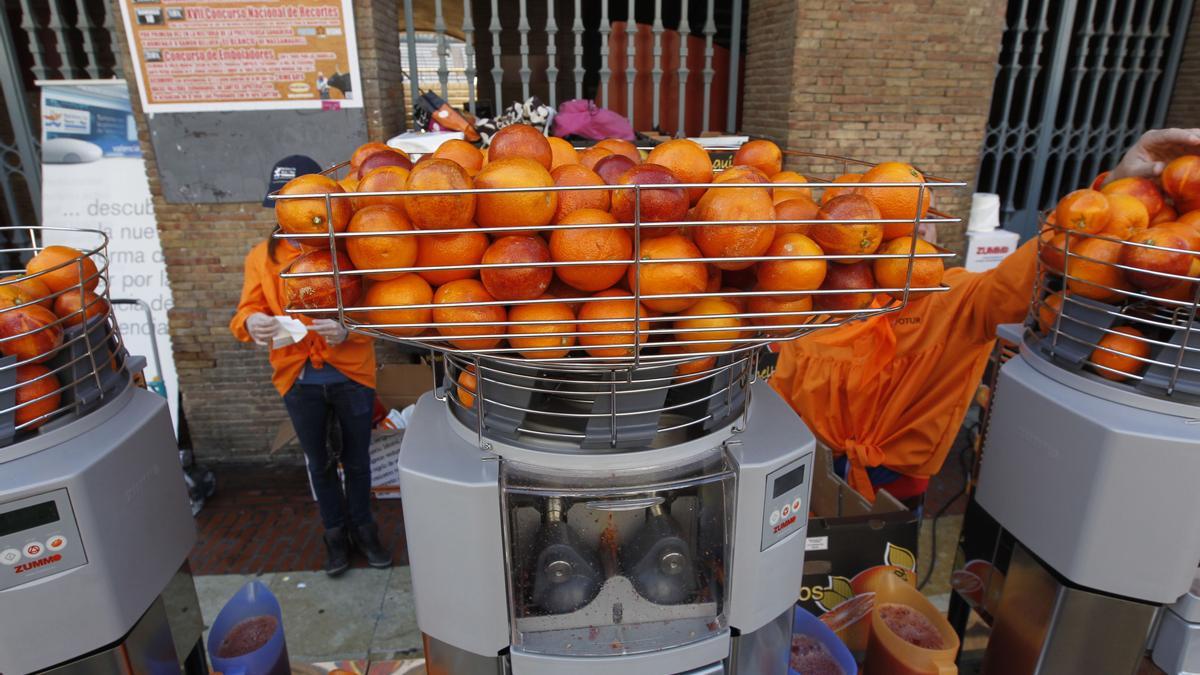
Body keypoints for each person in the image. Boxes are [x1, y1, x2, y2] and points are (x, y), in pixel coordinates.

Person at [770, 128, 1200, 504]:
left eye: (927, 219)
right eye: (900, 222)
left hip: (889, 494)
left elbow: (1037, 268)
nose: (918, 229)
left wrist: (1120, 183)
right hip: (795, 483)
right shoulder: (806, 294)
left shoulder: (957, 298)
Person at [230, 233, 392, 576]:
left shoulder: (350, 252)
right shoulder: (262, 255)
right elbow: (246, 311)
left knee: (358, 461)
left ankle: (365, 529)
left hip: (352, 377)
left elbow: (380, 313)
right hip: (298, 379)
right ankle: (334, 534)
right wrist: (251, 322)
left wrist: (348, 330)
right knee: (319, 463)